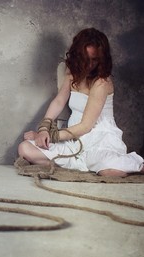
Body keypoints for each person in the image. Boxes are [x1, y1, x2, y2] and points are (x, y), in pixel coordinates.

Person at [18, 28, 144, 177]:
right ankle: (83, 165)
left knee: (110, 171)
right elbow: (59, 101)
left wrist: (50, 136)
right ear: (78, 54)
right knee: (25, 149)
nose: (90, 65)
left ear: (102, 58)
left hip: (99, 138)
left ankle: (137, 165)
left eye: (95, 59)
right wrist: (43, 129)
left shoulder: (102, 83)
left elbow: (86, 126)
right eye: (86, 58)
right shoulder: (72, 73)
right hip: (72, 137)